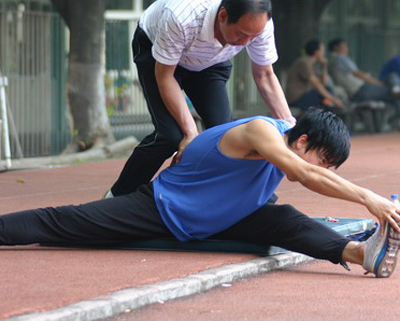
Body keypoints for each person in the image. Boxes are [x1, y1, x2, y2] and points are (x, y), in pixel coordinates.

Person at [1, 108, 400, 278]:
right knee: (59, 223)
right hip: (162, 209)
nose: (323, 171)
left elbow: (300, 173)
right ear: (303, 141)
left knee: (284, 219)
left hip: (222, 217)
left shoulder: (291, 141)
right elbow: (302, 172)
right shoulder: (264, 132)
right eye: (323, 160)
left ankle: (362, 253)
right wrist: (369, 197)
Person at [108, 0, 295, 197]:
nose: (246, 42)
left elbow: (264, 74)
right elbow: (165, 76)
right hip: (160, 58)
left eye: (253, 37)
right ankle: (117, 196)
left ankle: (245, 199)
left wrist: (288, 124)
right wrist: (190, 133)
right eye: (242, 35)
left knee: (228, 135)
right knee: (171, 136)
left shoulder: (259, 25)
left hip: (210, 62)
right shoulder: (181, 16)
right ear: (223, 15)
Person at [328, 38, 400, 120]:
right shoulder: (340, 58)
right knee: (394, 90)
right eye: (344, 46)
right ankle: (395, 88)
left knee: (394, 90)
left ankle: (395, 88)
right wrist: (377, 83)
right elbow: (358, 73)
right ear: (336, 48)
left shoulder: (330, 60)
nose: (347, 49)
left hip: (356, 92)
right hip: (361, 90)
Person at [286, 39, 344, 110]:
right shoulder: (304, 62)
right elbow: (317, 85)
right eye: (322, 50)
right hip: (296, 98)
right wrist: (333, 99)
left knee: (327, 91)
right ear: (316, 52)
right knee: (324, 98)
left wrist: (324, 66)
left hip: (305, 95)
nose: (324, 53)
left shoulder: (311, 64)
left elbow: (323, 83)